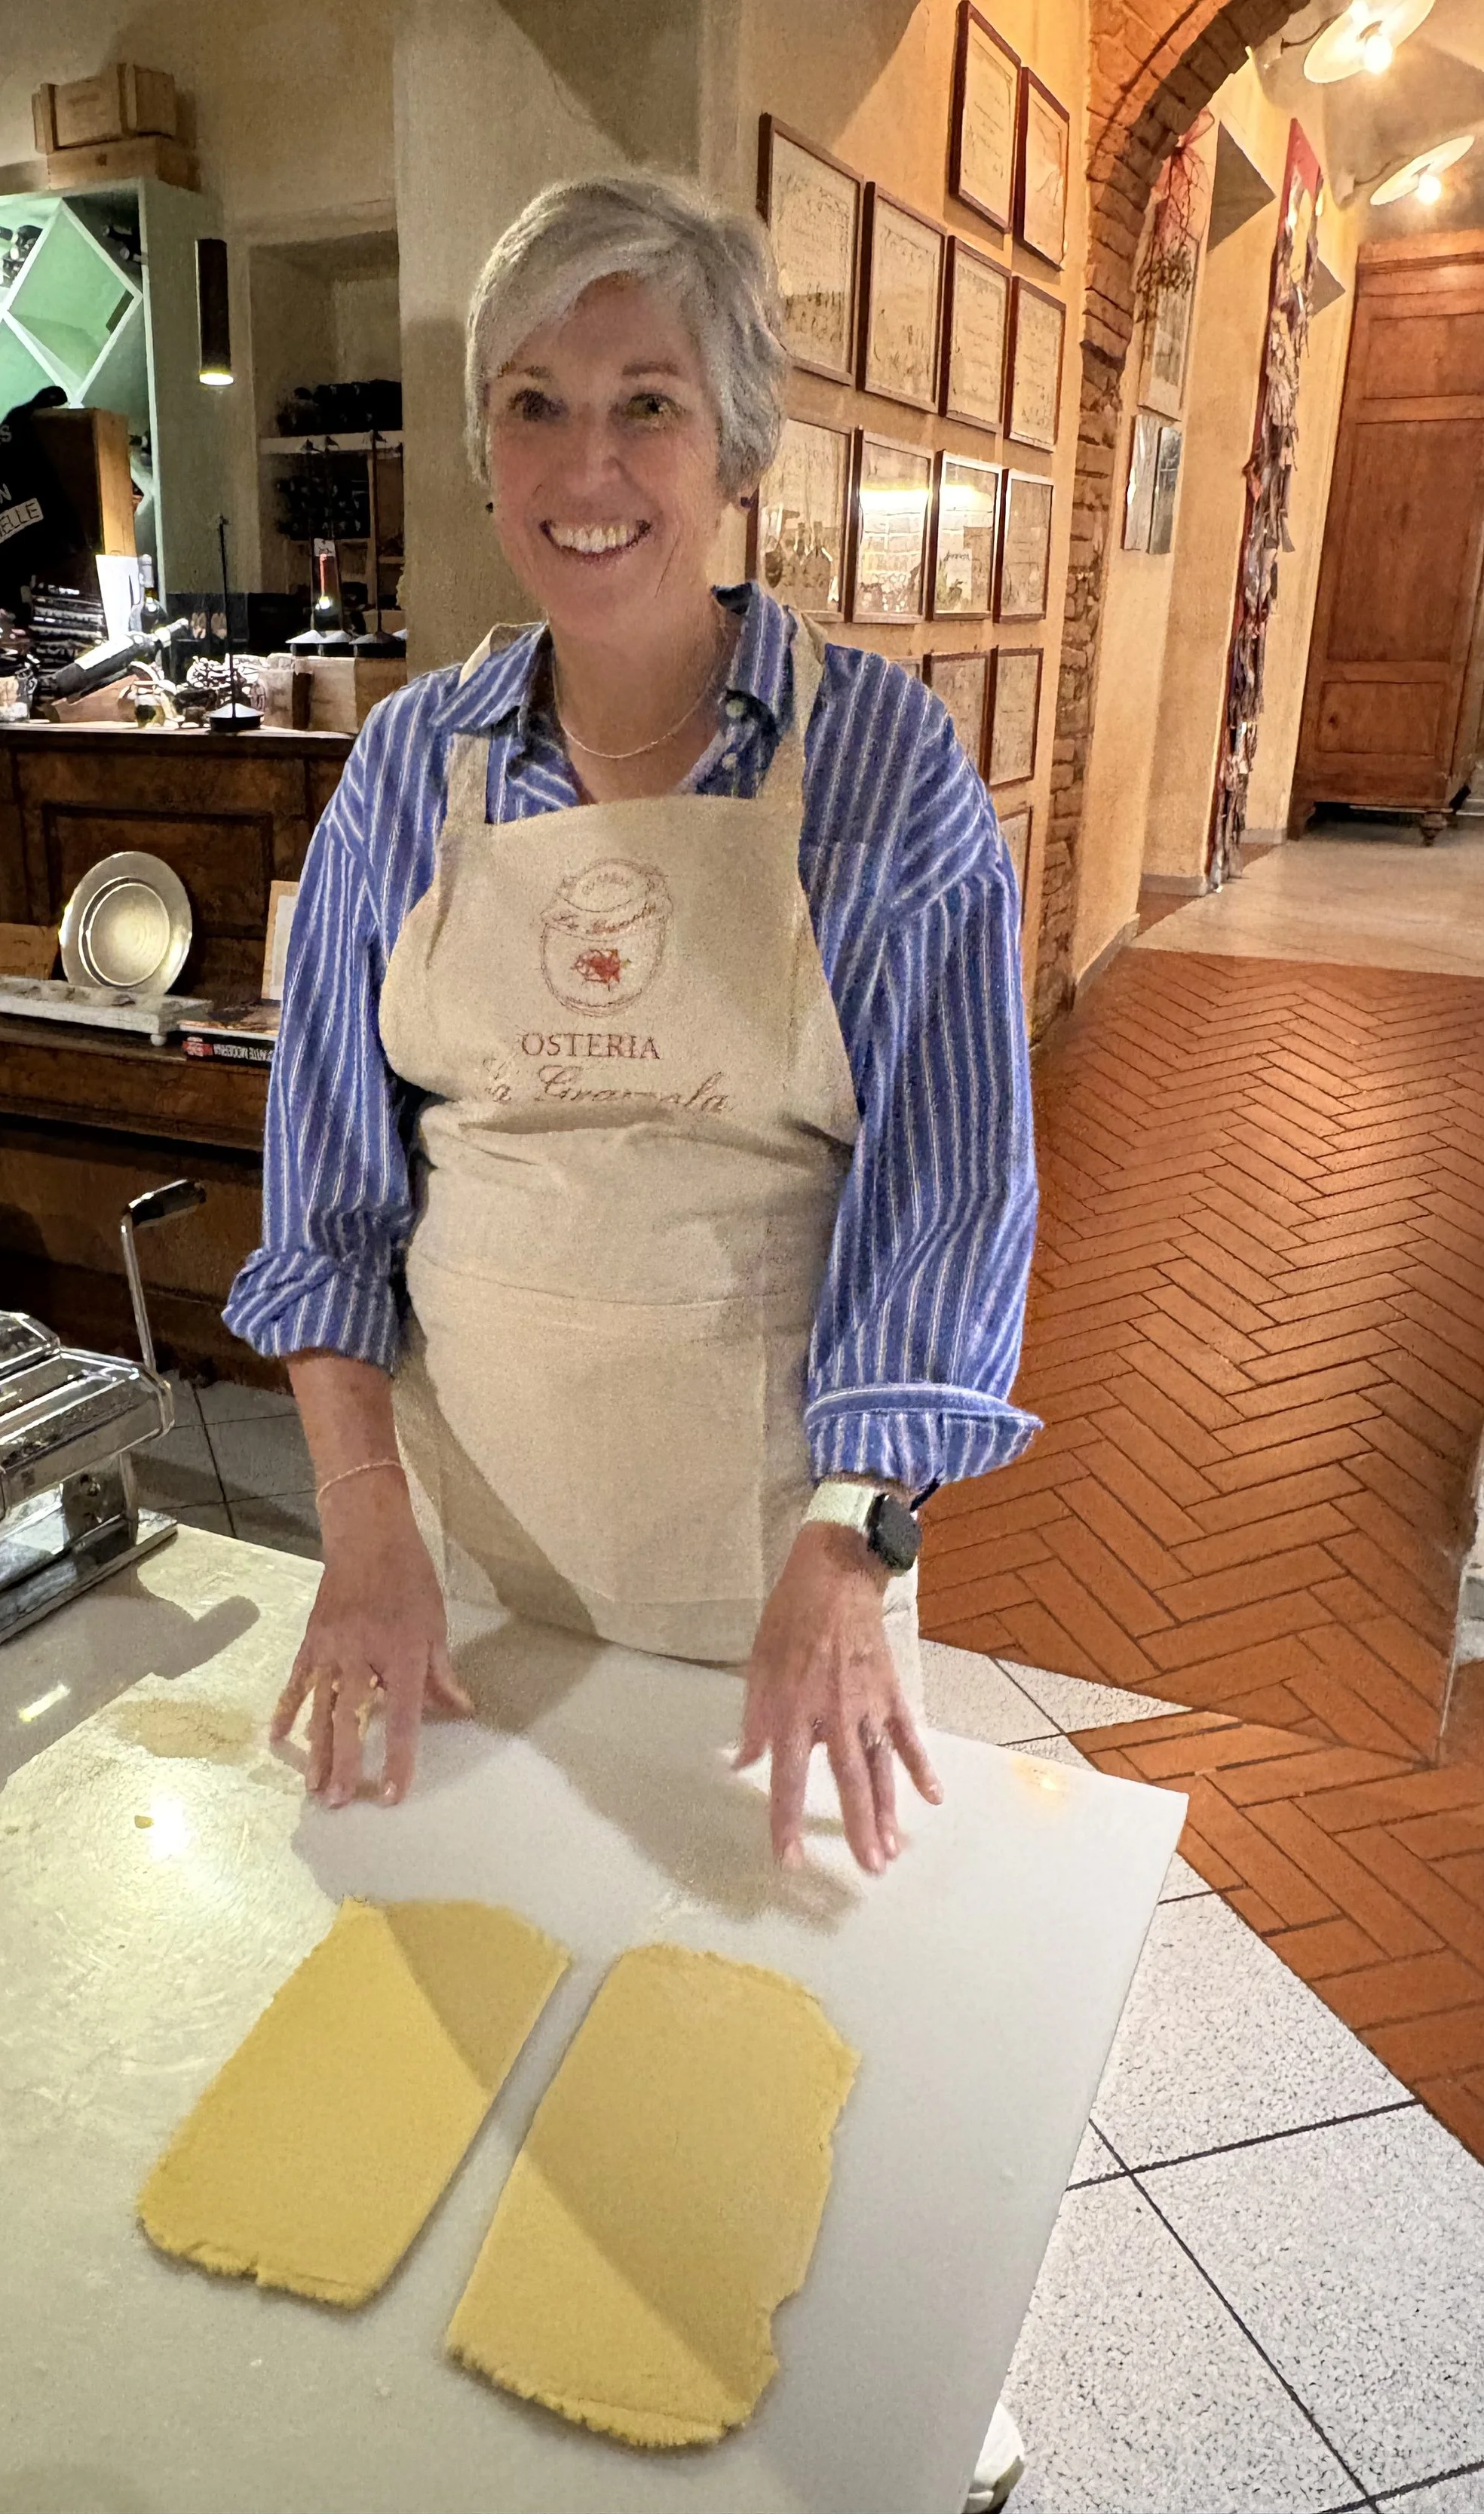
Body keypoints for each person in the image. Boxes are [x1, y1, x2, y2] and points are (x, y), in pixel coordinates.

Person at [228, 173, 1036, 2512]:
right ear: (487, 453)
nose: (591, 463)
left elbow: (951, 1194)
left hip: (775, 1561)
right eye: (537, 405)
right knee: (486, 2048)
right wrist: (360, 1522)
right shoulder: (410, 771)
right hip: (463, 1571)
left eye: (647, 404)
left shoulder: (878, 771)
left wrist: (856, 1541)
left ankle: (883, 2435)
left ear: (737, 443)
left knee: (776, 2058)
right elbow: (331, 1197)